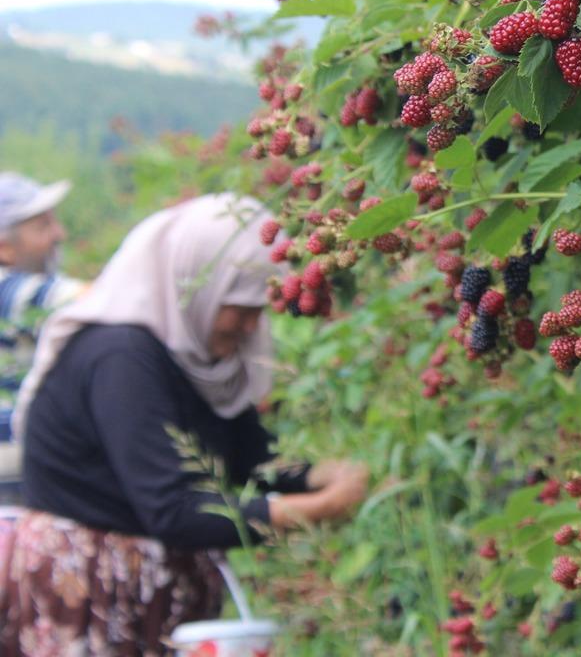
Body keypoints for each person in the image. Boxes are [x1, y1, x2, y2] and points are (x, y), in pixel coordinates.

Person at [0, 194, 368, 656]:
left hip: (153, 599)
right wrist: (319, 508)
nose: (251, 325)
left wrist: (321, 476)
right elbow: (174, 511)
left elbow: (250, 460)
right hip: (88, 597)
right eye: (240, 307)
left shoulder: (193, 355)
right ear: (197, 288)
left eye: (258, 307)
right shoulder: (120, 357)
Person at [0, 172, 86, 393]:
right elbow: (97, 298)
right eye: (43, 226)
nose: (60, 234)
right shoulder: (8, 289)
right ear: (4, 248)